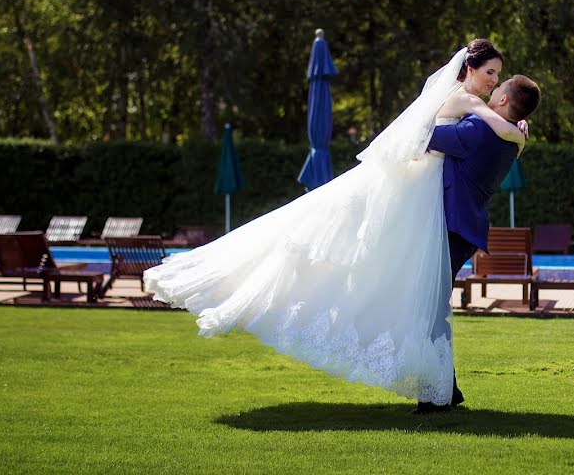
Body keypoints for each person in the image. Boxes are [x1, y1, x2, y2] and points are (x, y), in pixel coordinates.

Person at [144, 39, 528, 407]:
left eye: (498, 75)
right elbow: (475, 131)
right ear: (470, 69)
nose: (493, 80)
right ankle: (438, 388)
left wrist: (513, 129)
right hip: (422, 192)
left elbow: (488, 131)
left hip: (430, 200)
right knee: (420, 298)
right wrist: (517, 133)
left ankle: (439, 388)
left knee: (422, 299)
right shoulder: (467, 103)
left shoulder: (476, 111)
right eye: (490, 72)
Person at [415, 74, 542, 413]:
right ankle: (444, 389)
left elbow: (422, 136)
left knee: (430, 312)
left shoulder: (479, 131)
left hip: (452, 231)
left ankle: (436, 395)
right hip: (463, 230)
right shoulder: (511, 138)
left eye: (498, 87)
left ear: (502, 100)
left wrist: (435, 104)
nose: (492, 89)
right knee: (432, 310)